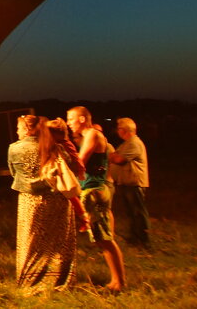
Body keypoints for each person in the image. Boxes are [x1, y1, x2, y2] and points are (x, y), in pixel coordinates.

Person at [8, 115, 77, 292]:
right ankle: (58, 278)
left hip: (29, 201)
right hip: (56, 200)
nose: (17, 131)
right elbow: (70, 166)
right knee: (57, 242)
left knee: (31, 242)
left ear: (27, 129)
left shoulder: (14, 149)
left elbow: (13, 172)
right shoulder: (55, 147)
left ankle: (30, 278)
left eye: (18, 127)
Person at [68, 105, 126, 291]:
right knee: (103, 239)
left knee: (106, 239)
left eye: (71, 119)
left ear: (82, 119)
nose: (69, 123)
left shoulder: (92, 134)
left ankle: (119, 282)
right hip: (94, 189)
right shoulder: (89, 136)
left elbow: (80, 161)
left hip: (95, 190)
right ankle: (116, 281)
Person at [109, 117, 150, 246]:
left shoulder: (134, 143)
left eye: (119, 128)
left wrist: (112, 156)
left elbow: (119, 159)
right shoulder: (126, 143)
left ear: (124, 129)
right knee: (131, 212)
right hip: (127, 183)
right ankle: (134, 237)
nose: (117, 131)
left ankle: (143, 240)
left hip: (134, 183)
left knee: (138, 212)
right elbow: (114, 156)